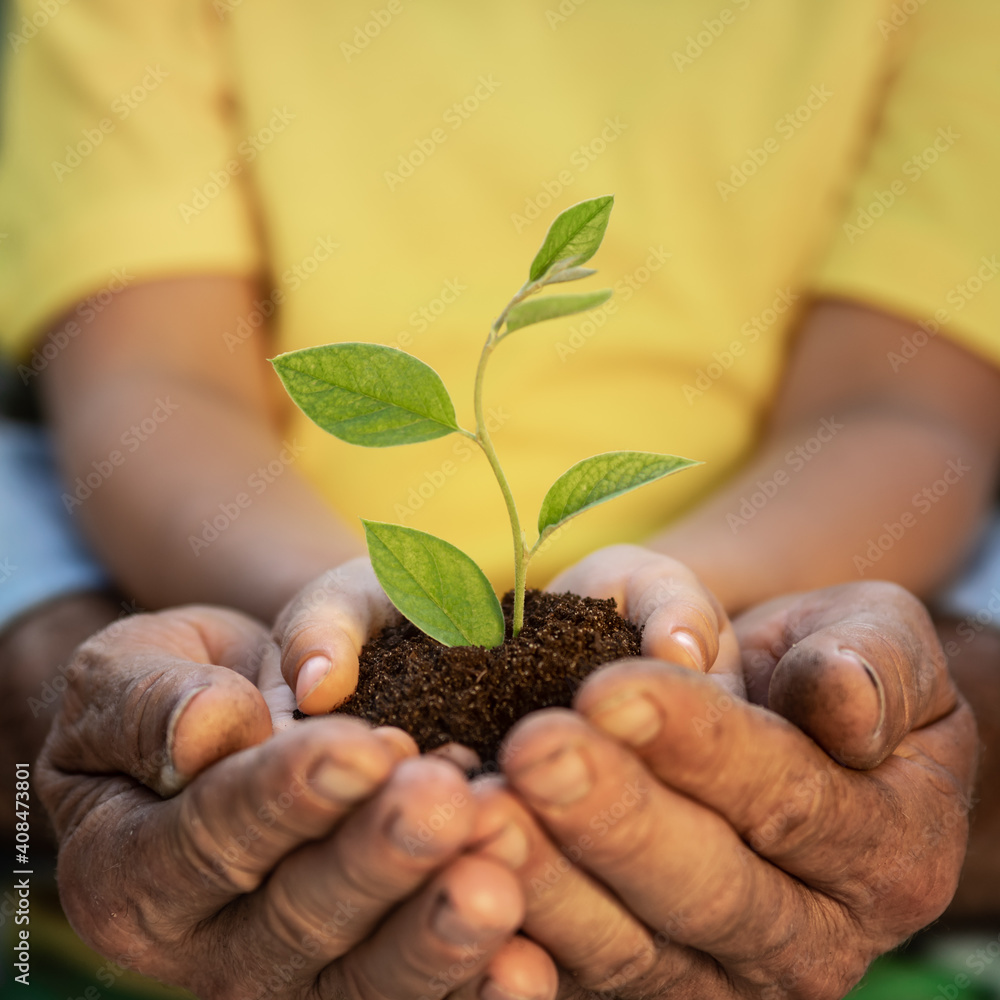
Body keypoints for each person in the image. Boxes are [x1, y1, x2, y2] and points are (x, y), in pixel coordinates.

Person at [2, 0, 1000, 995]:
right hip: (227, 637)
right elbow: (154, 384)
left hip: (778, 660)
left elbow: (896, 406)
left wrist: (690, 612)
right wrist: (327, 604)